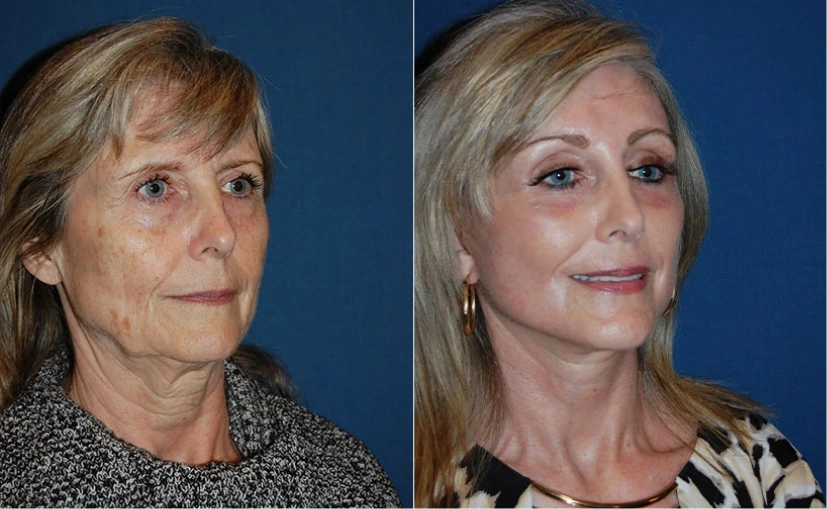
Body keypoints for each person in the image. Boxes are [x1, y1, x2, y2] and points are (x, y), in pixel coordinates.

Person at [414, 1, 824, 508]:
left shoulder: (761, 467)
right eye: (561, 175)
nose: (631, 217)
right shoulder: (417, 486)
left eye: (648, 170)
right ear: (458, 239)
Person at [0, 18, 400, 506]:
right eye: (155, 187)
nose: (223, 233)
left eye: (238, 184)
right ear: (40, 244)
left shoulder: (347, 480)